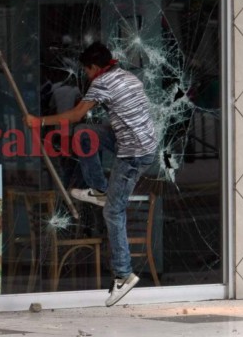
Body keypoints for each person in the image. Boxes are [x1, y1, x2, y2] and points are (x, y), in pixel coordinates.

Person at [25, 41, 157, 307]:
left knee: (112, 212)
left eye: (86, 71)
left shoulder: (102, 83)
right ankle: (98, 188)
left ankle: (123, 274)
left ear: (95, 68)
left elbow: (75, 115)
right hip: (139, 143)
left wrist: (38, 122)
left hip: (133, 153)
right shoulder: (128, 77)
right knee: (88, 133)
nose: (85, 76)